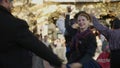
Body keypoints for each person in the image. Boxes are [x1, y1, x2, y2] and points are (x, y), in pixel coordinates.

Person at [0, 0, 66, 68]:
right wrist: (59, 63)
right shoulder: (13, 24)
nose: (12, 6)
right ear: (6, 1)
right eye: (11, 2)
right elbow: (37, 46)